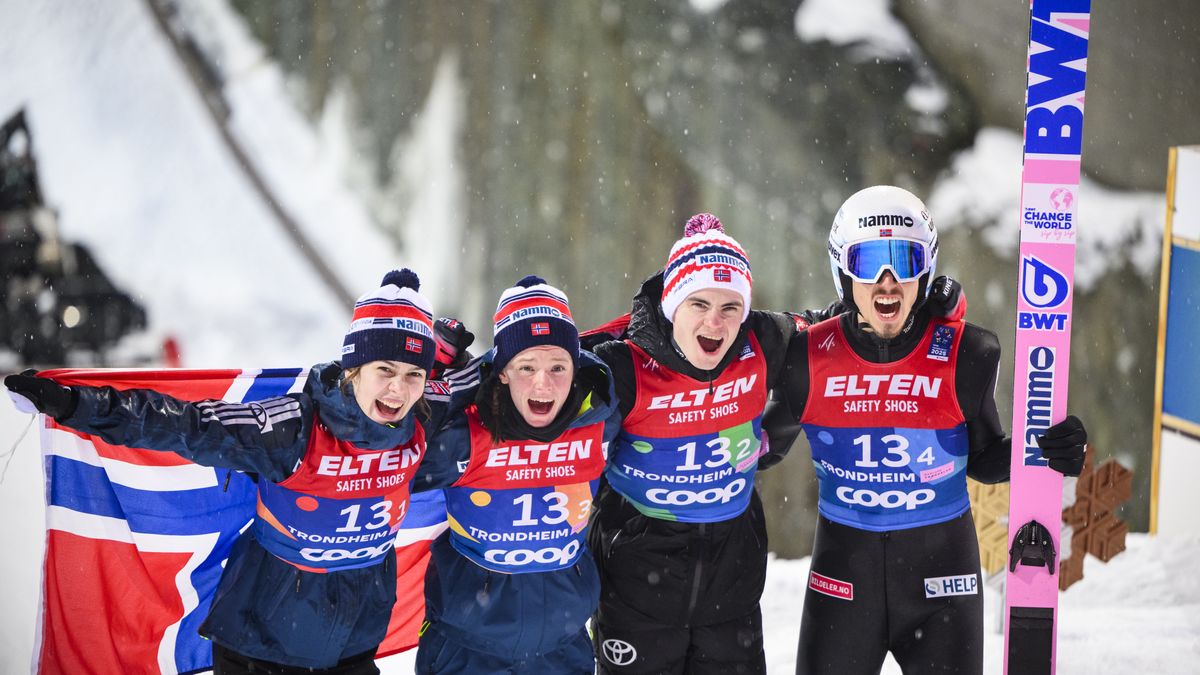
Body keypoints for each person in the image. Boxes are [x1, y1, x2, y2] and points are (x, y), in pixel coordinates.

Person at [5, 269, 439, 675]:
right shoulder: (291, 429)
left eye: (413, 374)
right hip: (260, 648)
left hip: (351, 649)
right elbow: (182, 425)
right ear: (353, 368)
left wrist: (455, 348)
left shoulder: (422, 425)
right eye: (384, 370)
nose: (397, 389)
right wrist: (76, 405)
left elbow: (500, 379)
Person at [772, 185, 1087, 675]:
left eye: (904, 258)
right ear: (842, 269)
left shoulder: (970, 353)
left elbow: (983, 458)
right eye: (870, 259)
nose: (887, 280)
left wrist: (1045, 450)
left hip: (945, 588)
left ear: (927, 267)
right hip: (842, 587)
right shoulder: (806, 359)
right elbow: (754, 446)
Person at [584, 213, 901, 674]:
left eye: (730, 307)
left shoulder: (763, 339)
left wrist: (932, 306)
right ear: (673, 304)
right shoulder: (623, 364)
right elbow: (539, 382)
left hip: (730, 591)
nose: (715, 321)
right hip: (636, 592)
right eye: (699, 304)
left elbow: (838, 324)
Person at [412, 275, 622, 674]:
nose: (543, 383)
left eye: (558, 366)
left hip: (562, 646)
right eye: (526, 366)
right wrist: (436, 379)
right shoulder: (465, 434)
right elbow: (383, 452)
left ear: (576, 369)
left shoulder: (600, 423)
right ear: (502, 371)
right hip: (468, 648)